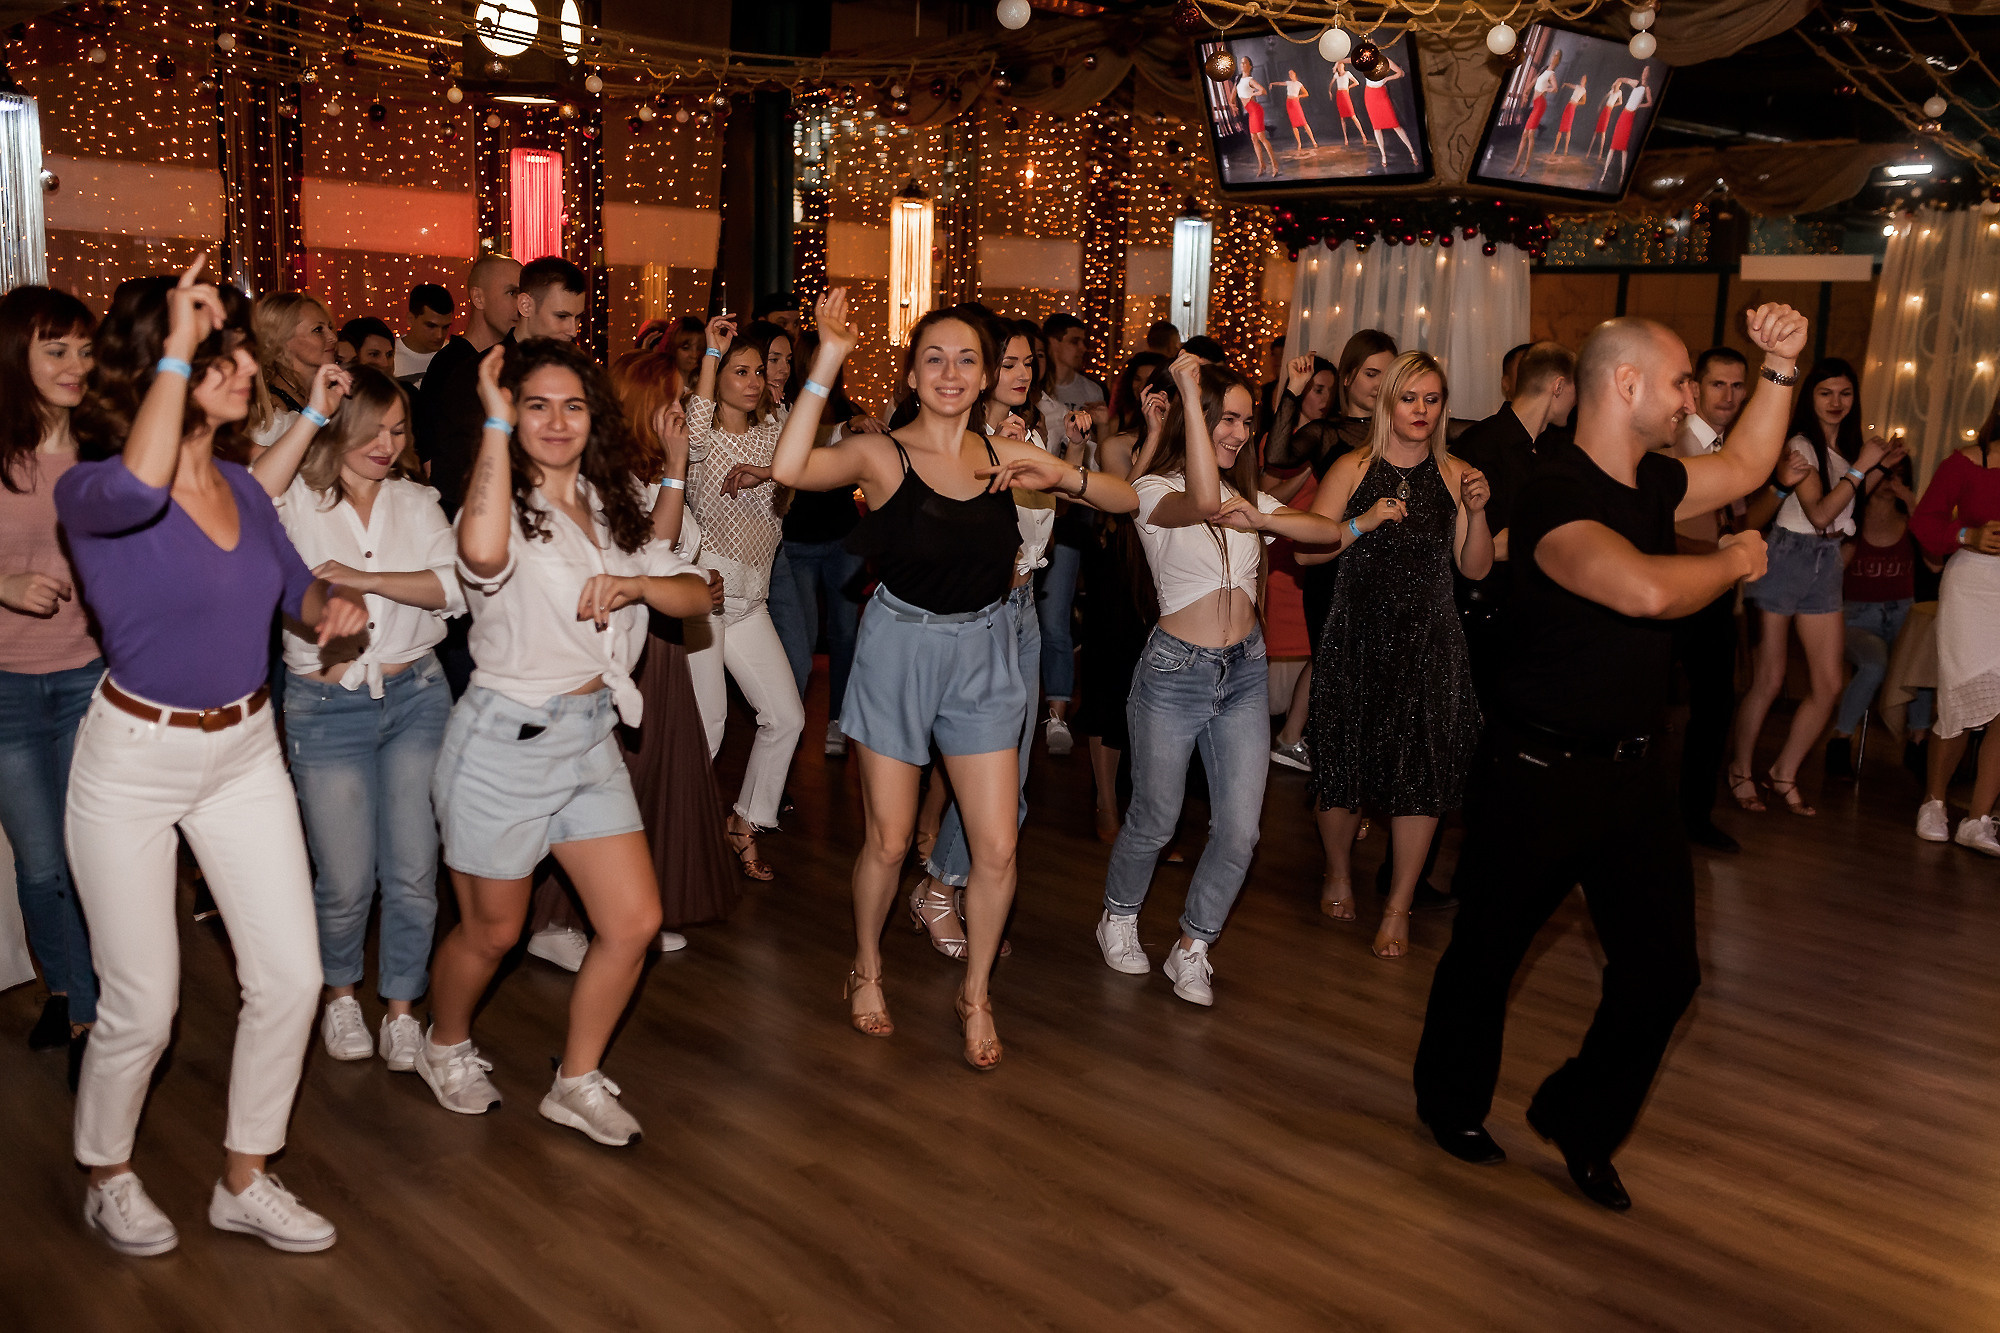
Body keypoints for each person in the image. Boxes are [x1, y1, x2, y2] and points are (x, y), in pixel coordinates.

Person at [1412, 306, 1804, 1212]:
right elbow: (1643, 590)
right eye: (1679, 382)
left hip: (1631, 776)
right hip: (1536, 771)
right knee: (1487, 953)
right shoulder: (1552, 494)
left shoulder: (1656, 481)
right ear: (1626, 384)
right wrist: (1736, 560)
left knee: (1665, 973)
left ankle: (1577, 1115)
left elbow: (1748, 464)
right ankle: (1451, 1103)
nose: (1689, 400)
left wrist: (1780, 364)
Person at [59, 258, 370, 1256]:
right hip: (133, 759)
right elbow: (141, 478)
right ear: (161, 368)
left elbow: (295, 588)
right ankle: (107, 1172)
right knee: (143, 1006)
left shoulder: (241, 484)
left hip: (243, 752)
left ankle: (245, 1174)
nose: (242, 369)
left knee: (290, 976)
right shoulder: (93, 490)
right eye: (216, 354)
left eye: (235, 350)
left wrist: (333, 608)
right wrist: (179, 343)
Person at [770, 290, 1137, 1069]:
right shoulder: (884, 453)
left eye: (967, 359)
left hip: (986, 652)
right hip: (899, 648)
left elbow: (1125, 496)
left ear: (985, 376)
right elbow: (790, 467)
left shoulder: (1001, 452)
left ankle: (976, 993)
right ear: (911, 374)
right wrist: (829, 354)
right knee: (889, 838)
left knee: (997, 846)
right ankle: (866, 965)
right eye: (933, 358)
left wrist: (1057, 472)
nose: (950, 371)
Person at [421, 338, 710, 1143]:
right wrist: (491, 424)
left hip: (588, 739)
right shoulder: (498, 508)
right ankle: (443, 1044)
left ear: (595, 417)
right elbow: (479, 556)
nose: (556, 421)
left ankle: (574, 1080)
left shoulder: (607, 502)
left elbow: (694, 591)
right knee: (494, 932)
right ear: (513, 415)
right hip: (503, 745)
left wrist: (637, 582)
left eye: (573, 405)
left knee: (634, 922)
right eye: (536, 405)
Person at [1096, 353, 1343, 1004]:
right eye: (1226, 419)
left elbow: (1323, 533)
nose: (1239, 432)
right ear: (1196, 420)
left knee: (1240, 830)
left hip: (1245, 673)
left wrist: (1265, 518)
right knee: (1156, 818)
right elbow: (1201, 500)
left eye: (1245, 421)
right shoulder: (1153, 491)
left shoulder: (1245, 497)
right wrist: (1183, 388)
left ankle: (1193, 945)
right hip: (1175, 672)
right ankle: (1118, 915)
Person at [250, 364, 464, 1072]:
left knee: (413, 872)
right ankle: (340, 994)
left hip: (417, 697)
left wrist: (366, 580)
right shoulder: (296, 500)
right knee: (344, 881)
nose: (386, 444)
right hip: (324, 707)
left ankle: (402, 1007)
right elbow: (247, 497)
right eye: (372, 429)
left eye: (398, 430)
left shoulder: (417, 501)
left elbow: (453, 588)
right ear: (338, 428)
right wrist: (311, 415)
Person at [1302, 351, 1492, 959]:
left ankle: (1398, 905)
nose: (1421, 410)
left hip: (1429, 641)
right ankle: (1338, 870)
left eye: (1432, 399)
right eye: (1409, 398)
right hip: (1356, 634)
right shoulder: (1352, 467)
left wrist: (1479, 514)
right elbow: (1306, 552)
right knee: (1342, 763)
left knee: (1422, 773)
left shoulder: (1458, 473)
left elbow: (1475, 569)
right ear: (1388, 403)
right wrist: (1363, 522)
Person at [907, 315, 1059, 957]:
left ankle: (964, 888)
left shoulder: (1030, 437)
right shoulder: (965, 445)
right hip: (978, 618)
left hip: (1025, 612)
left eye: (1029, 363)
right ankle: (941, 887)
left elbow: (1057, 518)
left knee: (1013, 777)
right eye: (1010, 362)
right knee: (994, 778)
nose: (1022, 374)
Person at [1728, 359, 1903, 816]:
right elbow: (1821, 514)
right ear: (1810, 396)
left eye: (1844, 393)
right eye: (1826, 393)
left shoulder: (1843, 449)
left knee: (1828, 684)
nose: (1836, 402)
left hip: (1826, 563)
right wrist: (1863, 468)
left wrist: (1877, 470)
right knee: (1770, 678)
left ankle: (1783, 772)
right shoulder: (1800, 446)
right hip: (1787, 556)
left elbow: (1845, 506)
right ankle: (1740, 770)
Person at [0, 285, 100, 1063]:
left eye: (84, 349)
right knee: (38, 866)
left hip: (87, 679)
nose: (76, 364)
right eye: (56, 348)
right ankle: (64, 987)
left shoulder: (107, 450)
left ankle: (92, 1015)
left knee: (86, 856)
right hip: (6, 687)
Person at [607, 349, 741, 927]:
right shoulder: (615, 478)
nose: (682, 407)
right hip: (635, 642)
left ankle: (641, 905)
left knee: (666, 772)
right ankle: (586, 916)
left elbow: (670, 553)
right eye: (673, 397)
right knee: (636, 778)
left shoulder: (650, 467)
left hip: (665, 635)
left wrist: (697, 576)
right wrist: (677, 464)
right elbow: (650, 550)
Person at [683, 312, 805, 880]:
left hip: (752, 600)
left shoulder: (774, 433)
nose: (755, 380)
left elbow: (797, 472)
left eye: (760, 371)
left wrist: (766, 471)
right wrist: (712, 353)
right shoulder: (700, 439)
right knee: (708, 730)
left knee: (786, 717)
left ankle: (745, 821)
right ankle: (670, 840)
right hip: (704, 600)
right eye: (742, 371)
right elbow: (695, 431)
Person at [1666, 347, 1793, 849]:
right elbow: (1665, 525)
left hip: (1715, 594)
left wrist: (1778, 488)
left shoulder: (1731, 448)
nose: (1730, 395)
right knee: (1654, 705)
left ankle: (1693, 816)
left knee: (1715, 706)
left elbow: (1738, 527)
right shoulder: (1675, 442)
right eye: (1719, 384)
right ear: (1696, 388)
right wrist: (1721, 550)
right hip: (1671, 587)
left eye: (1739, 386)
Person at [1075, 354, 1170, 839]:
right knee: (1109, 687)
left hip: (1167, 579)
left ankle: (1151, 816)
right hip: (1119, 575)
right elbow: (1127, 498)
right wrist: (1153, 438)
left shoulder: (1194, 451)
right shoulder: (1117, 445)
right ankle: (1106, 802)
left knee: (1157, 697)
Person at [768, 332, 869, 756]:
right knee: (802, 640)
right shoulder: (786, 409)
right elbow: (803, 447)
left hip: (843, 537)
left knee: (845, 634)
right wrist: (845, 430)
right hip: (797, 541)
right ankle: (789, 727)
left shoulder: (850, 411)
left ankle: (838, 721)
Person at [1910, 389, 2000, 852]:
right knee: (1959, 700)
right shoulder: (1967, 461)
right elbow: (1924, 521)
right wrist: (1967, 534)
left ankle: (1978, 818)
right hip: (1972, 586)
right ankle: (1935, 801)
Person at [1036, 312, 1107, 756]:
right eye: (1075, 340)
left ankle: (1057, 713)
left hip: (1066, 519)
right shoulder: (1027, 405)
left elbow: (1092, 467)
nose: (1082, 348)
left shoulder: (1086, 393)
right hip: (1022, 521)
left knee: (1055, 619)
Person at [1825, 461, 1919, 780]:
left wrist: (1912, 502)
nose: (1890, 481)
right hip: (1858, 616)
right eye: (1886, 472)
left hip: (1903, 613)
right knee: (1874, 663)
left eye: (1898, 475)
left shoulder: (1910, 520)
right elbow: (1831, 569)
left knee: (1921, 660)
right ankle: (1840, 741)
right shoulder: (1852, 520)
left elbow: (1936, 559)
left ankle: (1919, 741)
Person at [413, 254, 522, 518]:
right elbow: (433, 462)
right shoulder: (450, 366)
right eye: (511, 293)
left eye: (523, 294)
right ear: (478, 298)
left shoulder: (514, 362)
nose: (520, 304)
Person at [249, 291, 335, 444]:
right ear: (282, 340)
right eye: (318, 330)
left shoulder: (333, 392)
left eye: (330, 327)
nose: (332, 337)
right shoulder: (272, 411)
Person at [1507, 49, 1563, 175]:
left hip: (1540, 104)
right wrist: (1526, 92)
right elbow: (1533, 82)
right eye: (1553, 54)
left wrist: (1545, 90)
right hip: (1535, 103)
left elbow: (1555, 88)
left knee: (1530, 134)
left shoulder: (1551, 74)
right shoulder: (1544, 70)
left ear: (1558, 60)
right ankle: (1517, 163)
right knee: (1524, 135)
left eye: (1556, 55)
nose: (1553, 56)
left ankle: (1526, 164)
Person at [1598, 68, 1654, 188]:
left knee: (1623, 148)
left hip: (1630, 117)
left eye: (1647, 72)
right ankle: (1604, 174)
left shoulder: (1647, 88)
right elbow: (1622, 79)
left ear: (1648, 75)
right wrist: (1616, 82)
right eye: (1644, 71)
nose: (1644, 74)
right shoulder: (1636, 83)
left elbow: (1650, 103)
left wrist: (1639, 105)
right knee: (1613, 146)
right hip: (1623, 114)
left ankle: (1622, 177)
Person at [1362, 54, 1420, 168]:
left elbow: (1401, 73)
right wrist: (1338, 62)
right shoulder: (1365, 61)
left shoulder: (1385, 61)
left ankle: (1412, 151)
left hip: (1381, 94)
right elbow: (1350, 60)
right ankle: (1383, 155)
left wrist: (1387, 78)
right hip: (1369, 95)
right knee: (1376, 127)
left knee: (1395, 125)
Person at [394, 283, 454, 386]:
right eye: (431, 326)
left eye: (445, 327)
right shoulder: (389, 358)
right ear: (410, 319)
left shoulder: (454, 356)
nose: (439, 335)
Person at [1234, 59, 1279, 178]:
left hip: (1256, 110)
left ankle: (1275, 165)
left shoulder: (1250, 80)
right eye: (1241, 62)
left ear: (1250, 66)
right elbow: (1233, 96)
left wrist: (1252, 94)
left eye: (1245, 63)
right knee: (1254, 140)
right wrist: (1232, 105)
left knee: (1261, 138)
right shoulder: (1239, 80)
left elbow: (1263, 91)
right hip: (1250, 111)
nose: (1242, 64)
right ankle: (1262, 165)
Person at [1328, 60, 1365, 146]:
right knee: (1342, 118)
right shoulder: (1336, 75)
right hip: (1339, 95)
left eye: (1341, 66)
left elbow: (1356, 82)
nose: (1340, 68)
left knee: (1353, 116)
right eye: (1338, 67)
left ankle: (1363, 135)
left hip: (1345, 94)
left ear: (1343, 66)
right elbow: (1331, 83)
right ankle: (1345, 138)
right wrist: (1329, 91)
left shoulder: (1347, 73)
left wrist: (1348, 87)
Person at [1552, 73, 1589, 157]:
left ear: (1585, 81)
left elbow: (1584, 101)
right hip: (1568, 106)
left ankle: (1565, 150)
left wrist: (1576, 103)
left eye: (1583, 79)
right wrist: (1565, 84)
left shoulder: (1584, 91)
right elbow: (1570, 85)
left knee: (1568, 129)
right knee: (1561, 128)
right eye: (1581, 79)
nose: (1582, 80)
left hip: (1572, 107)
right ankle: (1555, 148)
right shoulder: (1577, 87)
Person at [1280, 68, 1317, 151]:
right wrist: (1272, 83)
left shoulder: (1298, 84)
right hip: (1289, 103)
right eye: (1289, 74)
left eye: (1291, 73)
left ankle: (1313, 141)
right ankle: (1299, 143)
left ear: (1295, 74)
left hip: (1295, 102)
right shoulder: (1288, 83)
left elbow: (1306, 93)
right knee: (1294, 124)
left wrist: (1299, 96)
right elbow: (1280, 83)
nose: (1290, 75)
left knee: (1304, 122)